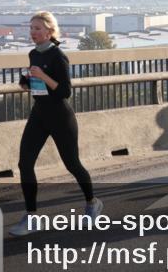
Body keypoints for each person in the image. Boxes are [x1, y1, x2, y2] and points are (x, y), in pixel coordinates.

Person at [10, 12, 101, 236]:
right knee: (25, 163)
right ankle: (31, 217)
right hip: (39, 114)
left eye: (37, 28)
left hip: (60, 116)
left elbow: (64, 91)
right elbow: (38, 85)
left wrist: (42, 76)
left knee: (72, 164)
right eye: (31, 28)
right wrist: (27, 82)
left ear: (49, 31)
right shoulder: (33, 54)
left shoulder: (58, 56)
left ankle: (92, 203)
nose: (33, 32)